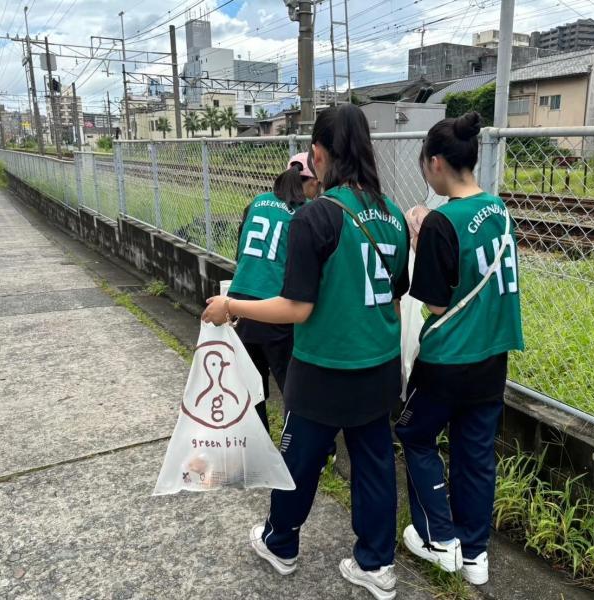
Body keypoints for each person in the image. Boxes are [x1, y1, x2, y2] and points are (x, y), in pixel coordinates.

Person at [202, 103, 410, 600]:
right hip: (379, 365)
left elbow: (296, 307)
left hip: (324, 369)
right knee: (375, 464)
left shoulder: (317, 216)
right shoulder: (394, 216)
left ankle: (281, 543)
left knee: (298, 458)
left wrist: (231, 306)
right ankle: (376, 564)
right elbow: (396, 294)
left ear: (318, 153)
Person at [395, 111, 524, 585]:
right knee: (476, 453)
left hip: (448, 359)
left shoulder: (442, 221)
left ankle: (439, 538)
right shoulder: (499, 210)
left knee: (414, 434)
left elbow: (434, 301)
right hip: (493, 356)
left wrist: (417, 242)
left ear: (435, 163)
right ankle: (475, 555)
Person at [227, 153, 319, 433]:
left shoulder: (257, 202)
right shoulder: (306, 212)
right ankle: (305, 444)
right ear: (312, 182)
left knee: (250, 386)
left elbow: (240, 251)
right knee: (294, 387)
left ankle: (258, 445)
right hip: (275, 307)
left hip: (240, 302)